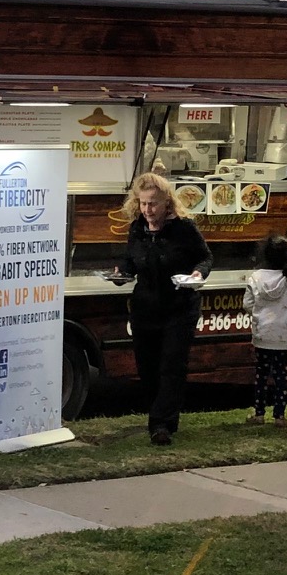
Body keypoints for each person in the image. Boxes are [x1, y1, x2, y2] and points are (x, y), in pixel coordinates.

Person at [113, 172, 211, 445]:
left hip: (179, 307)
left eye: (153, 204)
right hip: (145, 307)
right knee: (148, 368)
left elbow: (205, 257)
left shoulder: (184, 228)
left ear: (167, 203)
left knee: (171, 364)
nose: (148, 210)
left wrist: (196, 275)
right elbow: (130, 262)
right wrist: (121, 273)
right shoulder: (137, 228)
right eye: (143, 204)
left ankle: (161, 424)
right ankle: (162, 417)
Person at [243, 233, 287, 427]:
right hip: (285, 336)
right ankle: (279, 416)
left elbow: (247, 304)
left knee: (261, 374)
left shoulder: (255, 278)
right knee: (282, 374)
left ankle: (258, 414)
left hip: (262, 334)